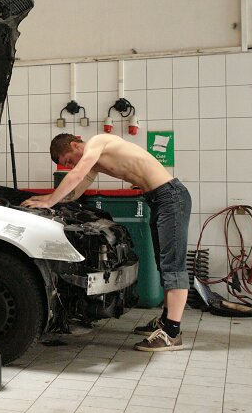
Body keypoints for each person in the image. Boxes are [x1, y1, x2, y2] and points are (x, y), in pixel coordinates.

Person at [21, 133, 191, 352]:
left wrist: (50, 199)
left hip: (170, 196)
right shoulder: (95, 164)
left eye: (69, 160)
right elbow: (74, 191)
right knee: (164, 262)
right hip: (159, 199)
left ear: (75, 145)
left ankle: (172, 333)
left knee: (172, 265)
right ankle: (166, 321)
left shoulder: (97, 142)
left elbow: (76, 174)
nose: (70, 166)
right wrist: (46, 201)